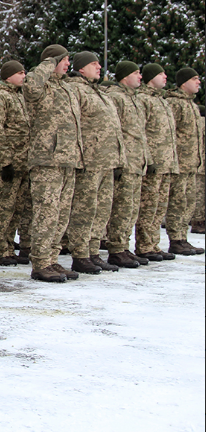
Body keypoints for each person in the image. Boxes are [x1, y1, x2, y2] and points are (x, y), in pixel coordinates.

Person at [22, 45, 84, 283]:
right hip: (47, 159)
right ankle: (40, 262)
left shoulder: (65, 88)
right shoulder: (41, 86)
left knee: (61, 214)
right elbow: (30, 86)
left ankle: (51, 259)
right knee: (46, 213)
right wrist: (49, 62)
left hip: (68, 159)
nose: (68, 64)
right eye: (64, 59)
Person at [63, 52, 125, 275]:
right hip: (89, 160)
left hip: (105, 160)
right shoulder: (75, 89)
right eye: (93, 64)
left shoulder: (97, 91)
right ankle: (80, 254)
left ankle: (93, 251)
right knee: (85, 209)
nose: (99, 67)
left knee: (101, 209)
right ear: (81, 68)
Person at [104, 62, 157, 265]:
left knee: (131, 208)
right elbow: (112, 130)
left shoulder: (133, 99)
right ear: (125, 76)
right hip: (125, 161)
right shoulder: (116, 97)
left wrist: (147, 159)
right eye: (136, 73)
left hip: (137, 162)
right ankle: (116, 248)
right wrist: (116, 160)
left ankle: (124, 246)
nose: (140, 77)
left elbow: (141, 134)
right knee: (122, 207)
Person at [132, 63, 179, 265]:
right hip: (153, 162)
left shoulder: (162, 101)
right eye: (161, 74)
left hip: (166, 162)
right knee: (148, 206)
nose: (165, 77)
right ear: (151, 77)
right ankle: (144, 245)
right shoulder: (143, 99)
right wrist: (147, 158)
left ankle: (153, 244)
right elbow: (141, 131)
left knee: (159, 207)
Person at [0, 61, 31, 266]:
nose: (24, 76)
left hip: (22, 161)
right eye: (19, 73)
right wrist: (5, 161)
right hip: (8, 163)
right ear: (8, 76)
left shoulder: (19, 96)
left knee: (17, 209)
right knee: (4, 207)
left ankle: (9, 247)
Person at [165, 67, 206, 255]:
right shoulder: (175, 104)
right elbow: (169, 133)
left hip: (191, 163)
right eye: (195, 78)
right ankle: (175, 239)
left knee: (188, 202)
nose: (199, 82)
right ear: (184, 82)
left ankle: (182, 237)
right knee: (178, 202)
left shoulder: (191, 105)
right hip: (179, 163)